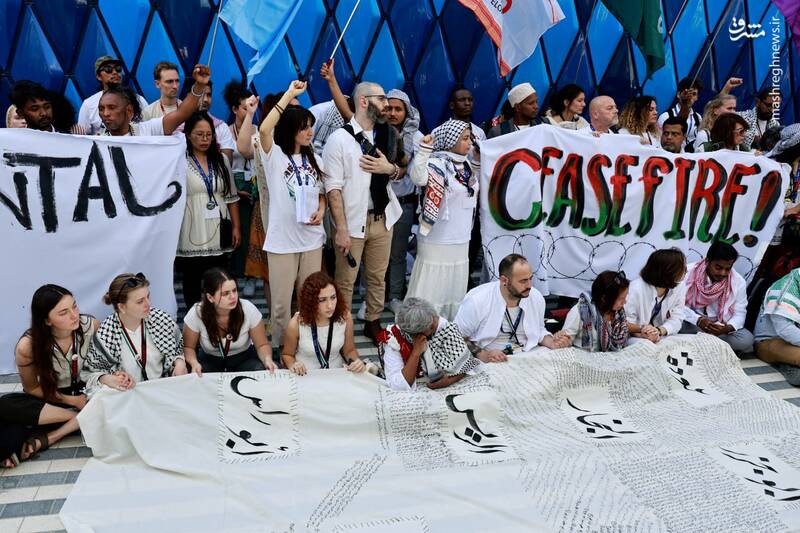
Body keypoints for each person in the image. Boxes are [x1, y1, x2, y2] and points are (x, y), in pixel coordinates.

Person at [322, 81, 403, 343]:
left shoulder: (388, 134)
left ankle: (373, 321)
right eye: (382, 99)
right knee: (345, 280)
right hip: (352, 222)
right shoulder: (339, 140)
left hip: (383, 218)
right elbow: (333, 188)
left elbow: (400, 170)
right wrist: (341, 229)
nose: (387, 105)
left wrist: (389, 169)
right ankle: (340, 328)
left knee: (378, 277)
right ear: (364, 101)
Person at [255, 81, 326, 353]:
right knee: (281, 304)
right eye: (304, 127)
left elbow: (321, 191)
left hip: (311, 239)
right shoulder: (275, 156)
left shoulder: (314, 158)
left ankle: (307, 346)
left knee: (310, 299)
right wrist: (289, 94)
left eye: (311, 126)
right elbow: (264, 129)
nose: (310, 132)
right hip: (283, 241)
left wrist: (321, 210)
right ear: (290, 129)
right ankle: (281, 349)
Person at [3, 285, 98, 464]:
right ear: (47, 320)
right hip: (54, 399)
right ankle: (80, 418)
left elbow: (105, 367)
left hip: (90, 395)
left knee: (111, 399)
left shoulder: (91, 326)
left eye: (74, 306)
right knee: (6, 404)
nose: (74, 315)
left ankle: (50, 437)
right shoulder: (28, 346)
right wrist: (73, 402)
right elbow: (32, 388)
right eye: (63, 313)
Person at [406, 119, 478, 319]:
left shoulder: (466, 165)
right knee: (432, 286)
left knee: (453, 288)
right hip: (437, 238)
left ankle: (448, 327)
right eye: (464, 138)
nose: (469, 143)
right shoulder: (435, 163)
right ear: (450, 139)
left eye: (470, 138)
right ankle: (420, 325)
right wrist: (424, 151)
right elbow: (418, 178)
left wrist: (477, 161)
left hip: (461, 237)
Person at [174, 112, 241, 308]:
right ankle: (194, 321)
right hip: (191, 227)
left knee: (220, 278)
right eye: (199, 134)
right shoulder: (179, 160)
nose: (204, 139)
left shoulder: (221, 160)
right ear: (188, 135)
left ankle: (220, 318)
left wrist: (236, 227)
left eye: (209, 135)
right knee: (192, 280)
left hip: (219, 226)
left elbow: (231, 197)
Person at [455, 254, 569, 361]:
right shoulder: (477, 300)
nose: (529, 285)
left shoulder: (535, 297)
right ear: (504, 280)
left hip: (528, 353)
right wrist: (483, 355)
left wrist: (553, 343)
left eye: (530, 278)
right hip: (491, 360)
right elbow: (456, 338)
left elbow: (539, 331)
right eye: (523, 281)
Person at [85, 273, 186, 391]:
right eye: (140, 301)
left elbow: (178, 349)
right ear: (122, 307)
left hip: (162, 388)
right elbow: (89, 374)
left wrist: (179, 362)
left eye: (148, 296)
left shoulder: (161, 319)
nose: (148, 304)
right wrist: (108, 379)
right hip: (127, 394)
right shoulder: (107, 332)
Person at [183, 268, 276, 373]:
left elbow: (262, 345)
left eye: (234, 290)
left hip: (244, 359)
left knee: (260, 369)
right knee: (196, 373)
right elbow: (188, 347)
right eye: (225, 293)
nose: (233, 297)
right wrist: (194, 363)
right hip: (209, 361)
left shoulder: (248, 309)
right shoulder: (196, 312)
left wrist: (267, 359)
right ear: (210, 297)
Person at [380, 298, 482, 391]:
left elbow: (467, 365)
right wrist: (416, 352)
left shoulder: (445, 328)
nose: (437, 324)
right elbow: (398, 385)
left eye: (434, 321)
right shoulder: (394, 338)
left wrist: (449, 381)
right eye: (432, 327)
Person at [281, 271, 369, 375]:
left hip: (336, 373)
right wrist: (293, 364)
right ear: (310, 301)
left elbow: (349, 350)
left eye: (333, 297)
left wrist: (356, 362)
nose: (330, 305)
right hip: (306, 375)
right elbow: (287, 355)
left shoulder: (345, 317)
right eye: (322, 300)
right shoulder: (296, 323)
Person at [384, 88, 423, 312]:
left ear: (407, 112)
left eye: (398, 109)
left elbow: (415, 171)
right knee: (375, 254)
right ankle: (371, 298)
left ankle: (395, 297)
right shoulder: (375, 131)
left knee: (397, 253)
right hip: (378, 203)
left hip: (404, 202)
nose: (393, 113)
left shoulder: (416, 138)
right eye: (389, 108)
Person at [97, 64, 210, 136]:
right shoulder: (96, 142)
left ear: (129, 111)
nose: (105, 113)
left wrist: (199, 85)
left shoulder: (146, 130)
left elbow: (182, 113)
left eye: (112, 107)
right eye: (101, 109)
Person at [681, 242, 754, 354]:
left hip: (720, 329)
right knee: (675, 324)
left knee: (746, 339)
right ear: (707, 261)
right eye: (718, 267)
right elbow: (676, 305)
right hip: (693, 324)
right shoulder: (688, 272)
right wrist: (698, 320)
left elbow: (740, 313)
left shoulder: (738, 282)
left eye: (727, 269)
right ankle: (714, 347)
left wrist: (727, 328)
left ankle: (695, 344)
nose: (723, 273)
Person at [224, 81, 257, 297]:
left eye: (251, 107)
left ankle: (252, 274)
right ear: (235, 109)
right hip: (233, 185)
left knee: (254, 231)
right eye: (245, 108)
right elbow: (225, 163)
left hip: (254, 185)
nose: (249, 111)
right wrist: (234, 188)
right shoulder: (226, 132)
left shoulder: (258, 131)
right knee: (239, 231)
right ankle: (239, 274)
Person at [624, 248, 687, 343]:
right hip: (636, 337)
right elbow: (626, 324)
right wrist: (644, 334)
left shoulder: (679, 286)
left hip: (661, 335)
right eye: (681, 268)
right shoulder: (635, 289)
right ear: (668, 271)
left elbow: (677, 318)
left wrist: (659, 331)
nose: (685, 271)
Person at [556, 271, 630, 352]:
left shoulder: (618, 313)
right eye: (621, 299)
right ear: (604, 299)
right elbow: (566, 340)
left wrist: (639, 330)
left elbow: (625, 328)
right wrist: (562, 339)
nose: (625, 302)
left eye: (625, 297)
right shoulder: (579, 311)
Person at [78, 55, 148, 135]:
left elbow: (148, 129)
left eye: (118, 69)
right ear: (98, 76)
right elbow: (81, 137)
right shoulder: (88, 104)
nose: (114, 72)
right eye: (108, 69)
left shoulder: (139, 100)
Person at [754, 268, 800, 385]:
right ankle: (789, 365)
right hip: (770, 342)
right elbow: (785, 330)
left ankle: (789, 364)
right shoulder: (783, 288)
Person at [10, 80, 80, 133]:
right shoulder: (16, 143)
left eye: (47, 107)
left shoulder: (68, 139)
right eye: (35, 109)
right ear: (21, 113)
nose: (44, 113)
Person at [195, 81, 236, 161]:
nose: (206, 99)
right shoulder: (180, 126)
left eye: (209, 95)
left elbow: (227, 162)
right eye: (201, 94)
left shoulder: (221, 127)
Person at [657, 77, 703, 146]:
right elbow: (659, 141)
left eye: (694, 94)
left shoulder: (698, 118)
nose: (690, 97)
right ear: (678, 94)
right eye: (687, 93)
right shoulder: (665, 116)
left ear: (697, 98)